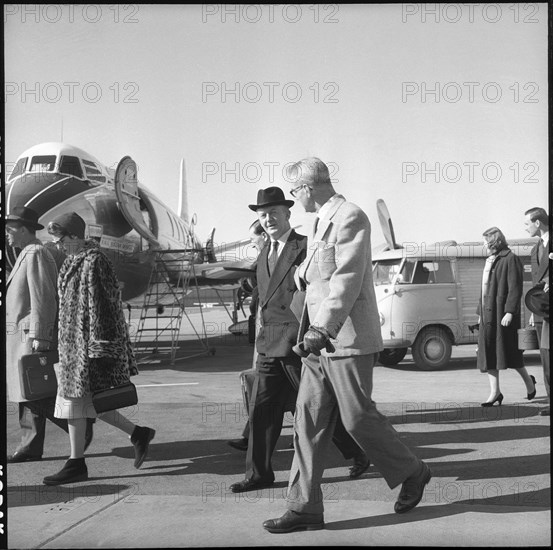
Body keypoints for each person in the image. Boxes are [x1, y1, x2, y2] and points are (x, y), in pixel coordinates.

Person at [263, 158, 430, 534]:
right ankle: (304, 507)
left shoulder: (350, 216)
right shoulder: (322, 221)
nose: (295, 199)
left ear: (306, 188)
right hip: (316, 344)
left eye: (294, 192)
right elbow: (314, 277)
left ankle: (413, 471)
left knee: (356, 418)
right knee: (307, 422)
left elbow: (347, 279)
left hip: (345, 338)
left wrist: (322, 328)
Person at [42, 212, 155, 485]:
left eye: (59, 239)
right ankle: (135, 434)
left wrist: (101, 348)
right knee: (84, 404)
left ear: (74, 237)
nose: (56, 244)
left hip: (87, 350)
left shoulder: (95, 261)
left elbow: (105, 307)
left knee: (80, 404)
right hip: (73, 349)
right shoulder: (72, 261)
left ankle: (77, 463)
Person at [5, 206, 93, 463]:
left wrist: (41, 337)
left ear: (24, 229)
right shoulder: (25, 253)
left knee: (35, 392)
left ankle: (77, 426)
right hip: (20, 338)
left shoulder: (36, 253)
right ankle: (31, 446)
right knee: (27, 392)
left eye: (10, 230)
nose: (7, 235)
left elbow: (44, 299)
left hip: (29, 336)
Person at [477, 226, 536, 406]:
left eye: (486, 241)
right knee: (488, 353)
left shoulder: (511, 259)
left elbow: (515, 288)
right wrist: (480, 313)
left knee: (511, 355)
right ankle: (495, 393)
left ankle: (529, 383)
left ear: (494, 241)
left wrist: (510, 311)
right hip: (487, 315)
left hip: (502, 314)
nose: (484, 244)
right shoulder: (489, 260)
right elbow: (483, 289)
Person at [524, 207, 550, 416]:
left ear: (538, 223)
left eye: (527, 224)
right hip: (542, 309)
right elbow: (535, 283)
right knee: (546, 357)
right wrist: (533, 310)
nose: (525, 228)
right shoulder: (535, 249)